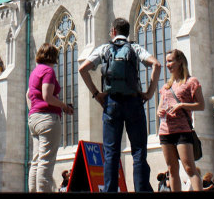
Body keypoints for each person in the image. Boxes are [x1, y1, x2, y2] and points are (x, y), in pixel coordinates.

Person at [79, 18, 161, 192]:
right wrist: (149, 93)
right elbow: (157, 64)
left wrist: (96, 94)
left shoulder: (104, 49)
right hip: (133, 102)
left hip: (112, 103)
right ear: (127, 32)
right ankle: (141, 189)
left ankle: (110, 190)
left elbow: (83, 69)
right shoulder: (134, 48)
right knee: (139, 152)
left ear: (113, 31)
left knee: (111, 154)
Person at [26, 43, 74, 192]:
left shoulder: (35, 72)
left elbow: (28, 94)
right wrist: (64, 106)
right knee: (46, 162)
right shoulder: (48, 71)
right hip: (47, 118)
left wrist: (34, 110)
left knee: (36, 161)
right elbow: (47, 96)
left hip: (34, 118)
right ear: (53, 57)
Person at [157, 49, 204, 191]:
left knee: (189, 168)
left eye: (170, 61)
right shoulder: (166, 87)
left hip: (183, 130)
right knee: (172, 170)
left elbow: (201, 105)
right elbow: (160, 108)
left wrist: (182, 105)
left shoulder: (191, 82)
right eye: (166, 62)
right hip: (165, 131)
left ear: (180, 62)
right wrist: (160, 111)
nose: (167, 64)